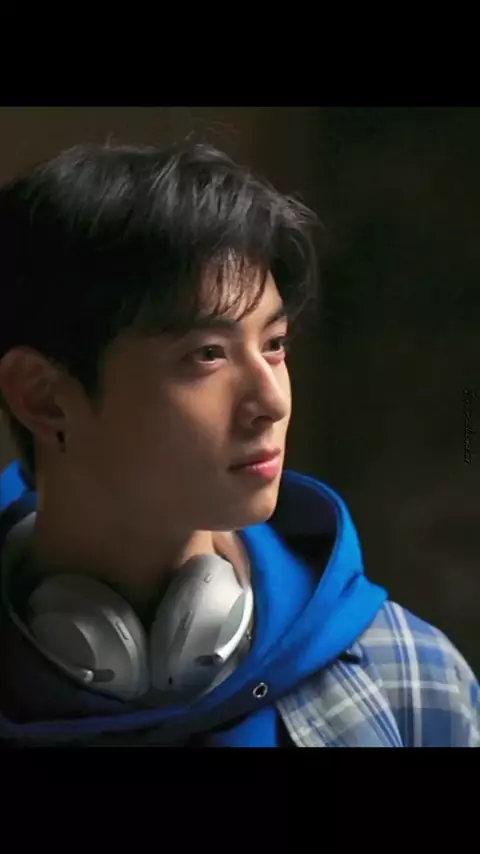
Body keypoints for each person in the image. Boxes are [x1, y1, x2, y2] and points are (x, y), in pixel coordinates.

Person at [0, 141, 478, 748]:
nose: (271, 402)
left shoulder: (410, 682)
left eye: (274, 344)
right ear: (43, 397)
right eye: (207, 355)